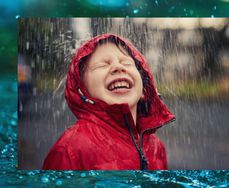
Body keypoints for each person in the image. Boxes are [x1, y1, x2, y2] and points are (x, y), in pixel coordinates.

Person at [42, 34, 175, 170]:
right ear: (83, 90)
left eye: (127, 63)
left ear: (144, 90)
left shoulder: (156, 147)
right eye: (102, 65)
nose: (118, 67)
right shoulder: (71, 149)